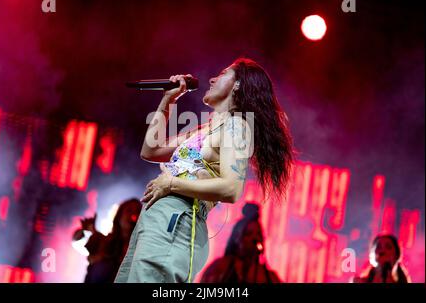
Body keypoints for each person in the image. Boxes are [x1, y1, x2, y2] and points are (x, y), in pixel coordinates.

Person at [114, 58, 294, 283]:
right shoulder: (204, 130)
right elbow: (150, 150)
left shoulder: (236, 126)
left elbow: (231, 188)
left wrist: (170, 183)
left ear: (237, 85)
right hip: (153, 221)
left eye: (223, 73)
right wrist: (168, 99)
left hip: (176, 221)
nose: (211, 79)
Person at [201, 203, 282, 283]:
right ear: (237, 239)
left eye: (258, 234)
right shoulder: (220, 268)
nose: (255, 238)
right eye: (248, 233)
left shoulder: (270, 277)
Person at [74, 198, 142, 283]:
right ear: (119, 216)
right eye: (129, 211)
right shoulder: (105, 241)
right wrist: (86, 230)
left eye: (138, 212)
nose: (133, 215)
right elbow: (76, 241)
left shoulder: (143, 247)